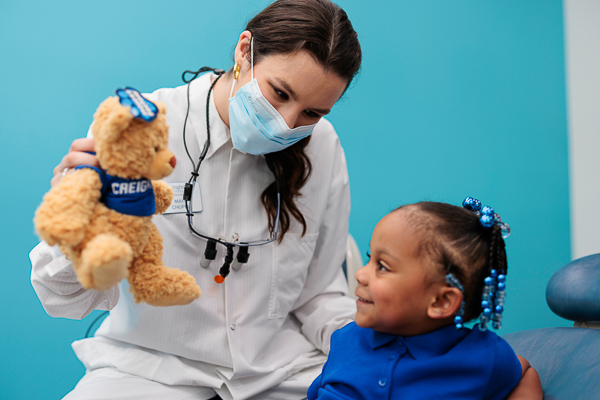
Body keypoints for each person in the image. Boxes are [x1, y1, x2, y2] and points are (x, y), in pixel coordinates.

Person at [30, 1, 361, 399]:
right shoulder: (141, 129)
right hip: (150, 371)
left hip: (279, 373)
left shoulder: (322, 146)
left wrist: (372, 350)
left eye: (311, 112)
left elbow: (320, 293)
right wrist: (84, 221)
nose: (287, 123)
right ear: (244, 51)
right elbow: (63, 299)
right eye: (279, 93)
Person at [307, 199, 543, 400]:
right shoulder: (346, 340)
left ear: (440, 302)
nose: (359, 274)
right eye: (369, 258)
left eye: (382, 266)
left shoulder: (485, 356)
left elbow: (525, 373)